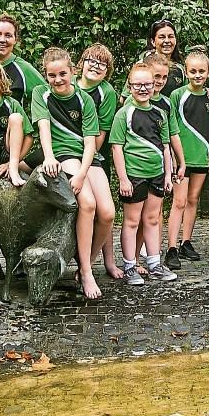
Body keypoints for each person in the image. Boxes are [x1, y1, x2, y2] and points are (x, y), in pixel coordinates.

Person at [32, 47, 113, 300]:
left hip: (88, 157)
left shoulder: (85, 100)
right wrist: (48, 157)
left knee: (108, 212)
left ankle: (86, 261)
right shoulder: (40, 94)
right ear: (46, 75)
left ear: (72, 71)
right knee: (87, 203)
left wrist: (81, 175)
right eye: (52, 75)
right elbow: (44, 129)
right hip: (63, 155)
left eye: (62, 74)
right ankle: (87, 273)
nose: (57, 80)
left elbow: (91, 143)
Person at [111, 62, 175, 285]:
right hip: (134, 175)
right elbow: (117, 147)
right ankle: (129, 266)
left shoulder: (160, 113)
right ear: (129, 87)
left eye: (147, 84)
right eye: (137, 85)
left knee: (152, 219)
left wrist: (168, 175)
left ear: (154, 85)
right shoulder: (124, 114)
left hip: (156, 175)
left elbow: (165, 146)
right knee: (131, 221)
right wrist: (123, 179)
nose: (143, 89)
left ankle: (155, 264)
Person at [74, 43, 123, 280]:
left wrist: (87, 158)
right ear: (81, 63)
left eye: (101, 64)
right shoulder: (68, 84)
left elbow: (102, 132)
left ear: (107, 71)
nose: (95, 66)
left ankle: (103, 261)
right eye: (91, 61)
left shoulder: (107, 93)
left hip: (94, 155)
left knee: (106, 210)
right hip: (67, 154)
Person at [165, 50, 209, 270]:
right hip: (182, 157)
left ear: (208, 72)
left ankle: (186, 241)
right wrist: (176, 157)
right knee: (179, 201)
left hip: (201, 156)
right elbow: (171, 128)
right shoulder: (177, 95)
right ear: (185, 72)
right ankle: (171, 248)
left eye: (201, 71)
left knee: (193, 199)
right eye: (193, 71)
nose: (197, 75)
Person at [141, 19, 185, 97]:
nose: (167, 41)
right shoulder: (143, 65)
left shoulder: (180, 69)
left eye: (170, 37)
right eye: (162, 37)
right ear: (153, 42)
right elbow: (125, 97)